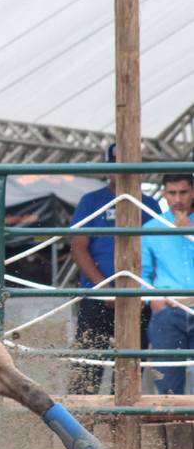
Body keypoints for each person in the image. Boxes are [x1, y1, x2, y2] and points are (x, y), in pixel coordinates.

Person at [67, 143, 162, 394]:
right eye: (116, 164)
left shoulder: (151, 205)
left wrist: (141, 291)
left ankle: (121, 417)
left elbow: (158, 251)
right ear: (108, 167)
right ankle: (80, 417)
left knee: (128, 374)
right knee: (86, 371)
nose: (122, 170)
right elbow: (78, 247)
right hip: (97, 297)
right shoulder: (91, 201)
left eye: (128, 163)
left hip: (137, 299)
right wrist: (104, 287)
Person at [141, 173, 194, 395]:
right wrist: (152, 300)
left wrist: (189, 232)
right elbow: (142, 272)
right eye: (172, 193)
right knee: (168, 386)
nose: (177, 199)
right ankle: (173, 419)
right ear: (164, 193)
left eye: (183, 192)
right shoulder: (151, 228)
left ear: (193, 192)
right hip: (167, 310)